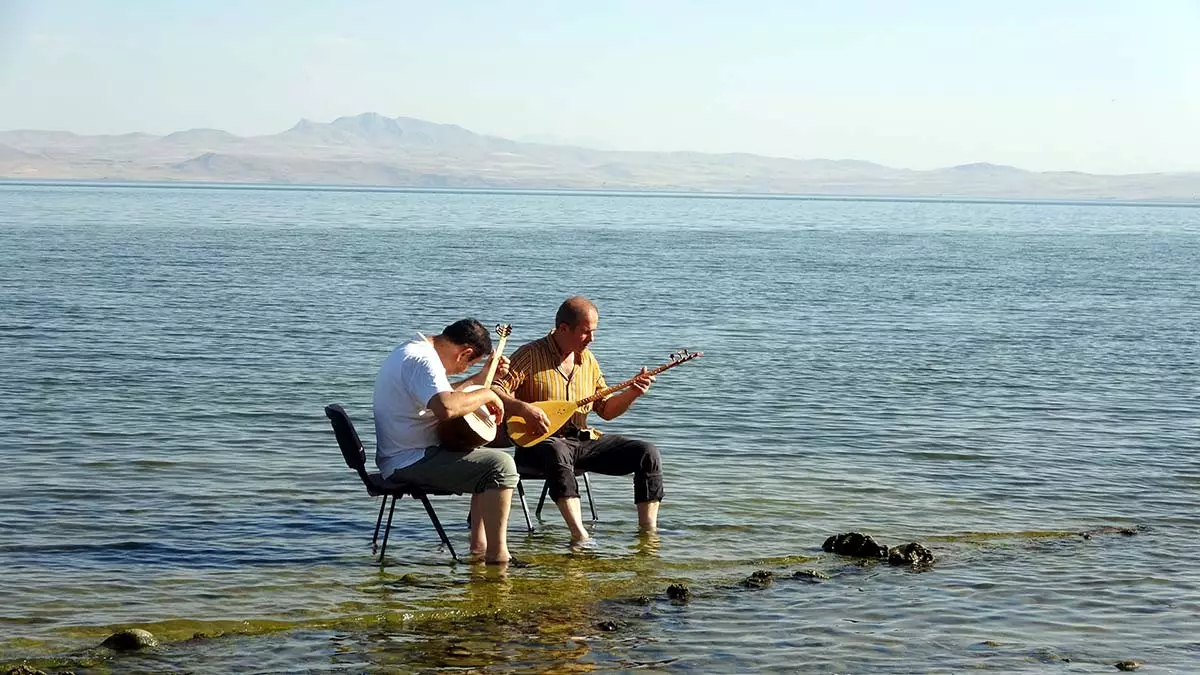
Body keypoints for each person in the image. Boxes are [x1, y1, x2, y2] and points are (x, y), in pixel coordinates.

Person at [493, 296, 662, 544]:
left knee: (646, 452)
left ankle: (649, 533)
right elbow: (495, 389)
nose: (591, 339)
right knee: (557, 449)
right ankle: (579, 535)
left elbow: (606, 411)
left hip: (583, 442)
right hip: (537, 446)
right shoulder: (529, 355)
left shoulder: (588, 360)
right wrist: (524, 409)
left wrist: (633, 392)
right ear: (563, 329)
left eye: (593, 332)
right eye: (585, 332)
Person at [373, 318, 524, 565]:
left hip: (401, 455)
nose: (463, 371)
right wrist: (488, 392)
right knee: (501, 465)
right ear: (464, 353)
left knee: (481, 457)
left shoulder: (412, 350)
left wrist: (480, 377)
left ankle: (480, 547)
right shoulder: (423, 360)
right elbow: (445, 407)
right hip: (410, 460)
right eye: (468, 365)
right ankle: (498, 558)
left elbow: (441, 394)